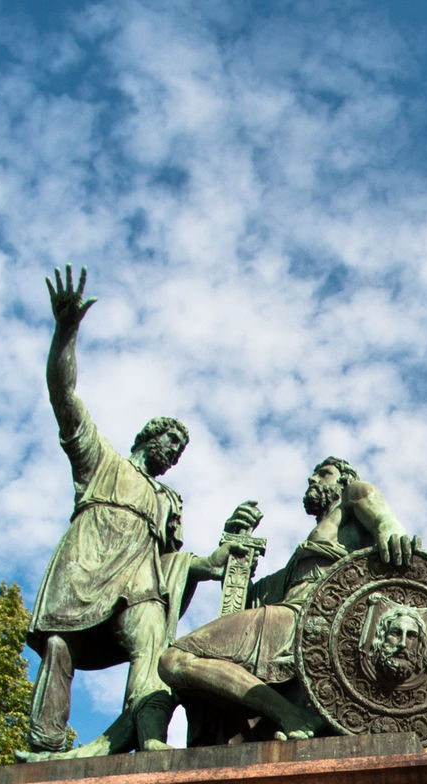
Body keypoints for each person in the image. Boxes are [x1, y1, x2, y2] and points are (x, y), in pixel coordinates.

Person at [21, 266, 256, 756]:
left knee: (153, 641)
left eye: (179, 450)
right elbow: (63, 397)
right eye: (169, 442)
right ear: (147, 437)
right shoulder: (100, 460)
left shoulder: (167, 501)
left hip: (138, 586)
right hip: (85, 572)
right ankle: (42, 747)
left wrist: (221, 555)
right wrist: (66, 332)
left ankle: (148, 736)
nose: (173, 453)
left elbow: (175, 565)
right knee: (61, 650)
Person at [160, 456, 418, 743]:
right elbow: (255, 597)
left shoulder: (353, 493)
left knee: (175, 658)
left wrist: (391, 529)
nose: (313, 480)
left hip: (303, 618)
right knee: (176, 663)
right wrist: (237, 546)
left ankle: (289, 714)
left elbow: (383, 518)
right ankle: (288, 712)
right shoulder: (318, 544)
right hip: (289, 613)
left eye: (324, 474)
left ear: (343, 481)